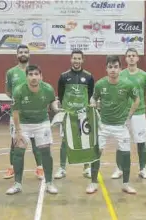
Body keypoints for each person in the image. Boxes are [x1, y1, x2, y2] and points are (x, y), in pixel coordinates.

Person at [87, 55, 139, 194]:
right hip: (103, 126)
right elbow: (93, 97)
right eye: (110, 67)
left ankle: (126, 184)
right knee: (96, 153)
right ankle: (93, 182)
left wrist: (129, 115)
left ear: (120, 69)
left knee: (126, 154)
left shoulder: (127, 84)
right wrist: (92, 103)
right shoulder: (100, 84)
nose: (113, 70)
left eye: (116, 67)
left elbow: (136, 99)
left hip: (121, 127)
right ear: (106, 69)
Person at [5, 65, 61, 195]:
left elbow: (52, 103)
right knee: (18, 151)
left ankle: (49, 183)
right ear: (26, 77)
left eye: (36, 74)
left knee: (46, 152)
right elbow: (15, 113)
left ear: (41, 76)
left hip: (42, 123)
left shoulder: (48, 89)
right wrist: (18, 132)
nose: (34, 77)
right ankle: (17, 184)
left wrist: (57, 109)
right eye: (30, 74)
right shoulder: (18, 91)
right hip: (23, 124)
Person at [4, 44, 43, 180]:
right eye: (20, 52)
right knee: (15, 141)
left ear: (29, 54)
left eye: (25, 52)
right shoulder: (11, 72)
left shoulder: (35, 71)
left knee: (35, 141)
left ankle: (40, 168)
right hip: (17, 114)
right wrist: (18, 101)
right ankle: (12, 167)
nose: (23, 54)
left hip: (33, 112)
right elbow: (8, 91)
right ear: (17, 55)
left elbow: (40, 88)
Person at [112, 48, 146, 180]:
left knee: (141, 142)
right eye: (128, 55)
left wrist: (140, 106)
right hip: (122, 114)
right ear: (125, 58)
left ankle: (142, 169)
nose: (131, 58)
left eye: (133, 55)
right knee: (121, 142)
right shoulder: (120, 74)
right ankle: (119, 169)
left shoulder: (144, 75)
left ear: (137, 58)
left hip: (139, 114)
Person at [54, 49, 94, 179]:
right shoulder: (64, 76)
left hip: (83, 115)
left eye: (79, 58)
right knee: (65, 141)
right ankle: (62, 168)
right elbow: (60, 95)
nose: (76, 61)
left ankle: (87, 167)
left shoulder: (88, 76)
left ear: (83, 60)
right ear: (71, 59)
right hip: (68, 115)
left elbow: (90, 94)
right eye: (74, 58)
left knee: (85, 140)